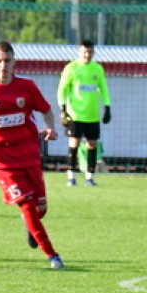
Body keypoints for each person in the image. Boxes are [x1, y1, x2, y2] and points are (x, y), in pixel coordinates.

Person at [0, 41, 64, 270]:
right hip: (2, 160)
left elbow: (46, 109)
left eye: (7, 61)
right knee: (27, 206)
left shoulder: (27, 87)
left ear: (14, 62)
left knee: (41, 208)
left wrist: (51, 128)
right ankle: (53, 255)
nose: (3, 65)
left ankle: (31, 226)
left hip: (29, 154)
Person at [57, 39, 111, 187]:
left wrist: (107, 107)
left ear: (93, 52)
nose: (87, 55)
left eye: (90, 52)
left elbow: (103, 88)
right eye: (84, 52)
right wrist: (63, 109)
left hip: (92, 115)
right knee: (74, 143)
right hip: (75, 114)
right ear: (79, 52)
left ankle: (89, 177)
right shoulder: (71, 68)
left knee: (92, 144)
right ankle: (71, 176)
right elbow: (62, 88)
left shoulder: (97, 69)